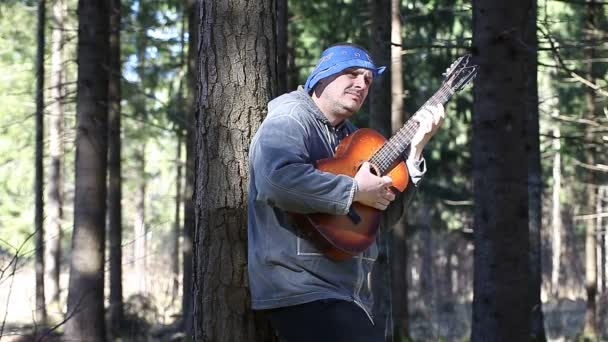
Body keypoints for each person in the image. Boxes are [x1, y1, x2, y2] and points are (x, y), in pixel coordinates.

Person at [247, 42, 444, 342]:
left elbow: (374, 223)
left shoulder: (353, 139)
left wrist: (414, 154)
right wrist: (354, 190)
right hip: (300, 287)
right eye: (352, 73)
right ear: (322, 75)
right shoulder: (290, 118)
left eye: (367, 79)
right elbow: (276, 180)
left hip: (347, 295)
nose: (361, 84)